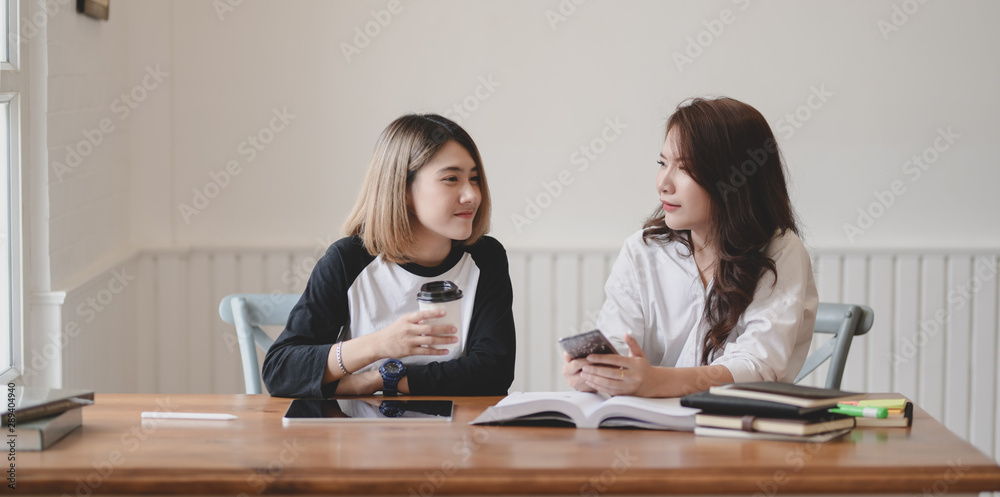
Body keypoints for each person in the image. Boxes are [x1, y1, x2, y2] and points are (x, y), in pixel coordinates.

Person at [562, 97, 818, 398]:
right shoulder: (642, 250)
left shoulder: (781, 251)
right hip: (651, 432)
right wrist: (596, 371)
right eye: (662, 163)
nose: (663, 183)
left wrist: (655, 381)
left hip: (740, 433)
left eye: (684, 168)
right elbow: (619, 341)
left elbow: (759, 366)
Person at [263, 114, 515, 398]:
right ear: (403, 189)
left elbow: (494, 372)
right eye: (451, 179)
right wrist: (380, 344)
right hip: (359, 437)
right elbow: (280, 371)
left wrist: (381, 380)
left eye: (474, 178)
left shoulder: (486, 258)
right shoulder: (347, 260)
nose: (472, 195)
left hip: (457, 437)